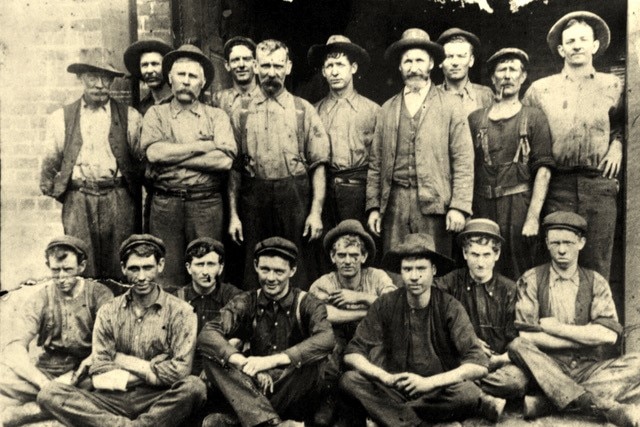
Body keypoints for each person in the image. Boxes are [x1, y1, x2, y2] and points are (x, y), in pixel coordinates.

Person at [38, 234, 207, 427]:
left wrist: (119, 359)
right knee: (49, 393)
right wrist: (155, 366)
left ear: (160, 266)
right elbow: (100, 372)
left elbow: (179, 373)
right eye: (134, 268)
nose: (141, 277)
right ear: (123, 268)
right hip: (111, 399)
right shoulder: (108, 311)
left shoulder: (181, 312)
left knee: (194, 387)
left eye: (148, 268)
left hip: (159, 399)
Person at [341, 233, 509, 425]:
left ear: (434, 270)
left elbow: (478, 364)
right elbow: (352, 353)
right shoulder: (385, 304)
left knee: (468, 393)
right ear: (400, 272)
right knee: (349, 380)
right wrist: (385, 377)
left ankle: (391, 417)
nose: (414, 276)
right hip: (394, 387)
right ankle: (416, 422)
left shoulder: (449, 306)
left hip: (436, 390)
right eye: (407, 269)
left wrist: (428, 383)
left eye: (421, 268)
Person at [508, 212, 640, 426]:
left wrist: (557, 328)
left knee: (638, 363)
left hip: (588, 367)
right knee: (517, 345)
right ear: (547, 243)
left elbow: (608, 336)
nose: (561, 249)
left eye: (568, 243)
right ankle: (604, 407)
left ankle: (547, 403)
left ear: (581, 243)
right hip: (547, 366)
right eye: (556, 242)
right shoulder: (531, 279)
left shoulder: (596, 281)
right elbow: (527, 336)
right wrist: (585, 335)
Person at [522, 11, 624, 280]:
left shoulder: (614, 85)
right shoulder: (539, 90)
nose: (576, 45)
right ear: (561, 49)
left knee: (597, 263)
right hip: (557, 186)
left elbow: (626, 124)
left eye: (582, 39)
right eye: (570, 41)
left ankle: (596, 322)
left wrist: (619, 145)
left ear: (594, 45)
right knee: (558, 262)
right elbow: (525, 137)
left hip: (599, 184)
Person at [198, 237, 334, 427]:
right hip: (255, 388)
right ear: (255, 266)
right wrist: (241, 361)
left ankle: (246, 421)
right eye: (265, 269)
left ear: (292, 270)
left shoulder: (307, 302)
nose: (271, 278)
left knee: (316, 361)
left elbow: (326, 338)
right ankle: (272, 423)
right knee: (212, 356)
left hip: (292, 387)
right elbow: (209, 332)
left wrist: (271, 361)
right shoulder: (246, 301)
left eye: (279, 271)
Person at [227, 39, 330, 290]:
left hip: (293, 198)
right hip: (253, 200)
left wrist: (315, 213)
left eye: (277, 66)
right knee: (255, 266)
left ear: (288, 67)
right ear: (254, 66)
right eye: (265, 66)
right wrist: (233, 215)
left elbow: (318, 165)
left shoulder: (303, 110)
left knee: (297, 266)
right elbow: (233, 169)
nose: (271, 73)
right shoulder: (240, 111)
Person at [366, 28, 474, 256]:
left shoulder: (451, 106)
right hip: (394, 204)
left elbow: (463, 160)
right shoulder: (387, 109)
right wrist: (374, 207)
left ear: (431, 64)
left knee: (434, 269)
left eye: (419, 61)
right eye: (407, 62)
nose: (413, 68)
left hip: (434, 206)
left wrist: (459, 207)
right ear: (400, 66)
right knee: (396, 269)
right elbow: (375, 163)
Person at [40, 53, 143, 283]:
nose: (99, 85)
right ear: (80, 78)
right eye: (92, 77)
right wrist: (68, 192)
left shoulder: (131, 117)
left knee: (122, 263)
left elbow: (141, 162)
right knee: (81, 262)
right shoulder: (61, 118)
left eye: (106, 79)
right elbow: (48, 166)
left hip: (118, 197)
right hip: (79, 197)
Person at [141, 44, 237, 291]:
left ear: (202, 83)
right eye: (181, 75)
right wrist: (201, 146)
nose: (186, 81)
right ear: (170, 80)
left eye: (192, 76)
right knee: (166, 273)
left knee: (206, 269)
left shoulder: (217, 117)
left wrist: (172, 155)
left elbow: (224, 161)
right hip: (165, 205)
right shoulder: (156, 114)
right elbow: (153, 153)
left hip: (205, 204)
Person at [0, 236, 112, 427]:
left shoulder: (99, 294)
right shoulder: (41, 298)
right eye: (55, 271)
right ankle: (59, 403)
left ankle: (31, 411)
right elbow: (14, 348)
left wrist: (77, 375)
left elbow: (110, 342)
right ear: (48, 265)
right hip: (47, 373)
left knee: (110, 383)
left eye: (68, 270)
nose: (61, 278)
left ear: (81, 266)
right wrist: (44, 383)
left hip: (84, 374)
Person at [468, 48, 555, 279]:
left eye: (513, 70)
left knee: (520, 271)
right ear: (493, 78)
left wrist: (532, 217)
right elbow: (466, 169)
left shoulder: (534, 117)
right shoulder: (476, 119)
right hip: (482, 206)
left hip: (519, 207)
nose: (507, 76)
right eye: (501, 70)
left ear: (523, 77)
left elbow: (543, 171)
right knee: (483, 268)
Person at [308, 219, 395, 425]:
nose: (348, 261)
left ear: (363, 257)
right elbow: (322, 314)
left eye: (354, 255)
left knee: (375, 362)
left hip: (371, 338)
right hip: (337, 336)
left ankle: (371, 411)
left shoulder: (377, 277)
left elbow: (394, 305)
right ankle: (329, 402)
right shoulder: (324, 283)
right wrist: (367, 312)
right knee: (328, 358)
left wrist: (359, 297)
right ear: (332, 257)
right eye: (342, 255)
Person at [436, 219, 528, 401]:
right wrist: (469, 339)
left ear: (497, 254)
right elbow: (434, 318)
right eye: (474, 254)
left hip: (498, 363)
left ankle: (467, 393)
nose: (480, 263)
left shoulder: (509, 289)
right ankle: (481, 398)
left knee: (516, 382)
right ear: (464, 253)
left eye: (486, 255)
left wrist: (499, 360)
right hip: (461, 360)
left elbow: (515, 339)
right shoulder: (449, 282)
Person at [308, 35, 380, 227]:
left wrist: (375, 206)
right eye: (329, 66)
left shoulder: (373, 111)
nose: (335, 72)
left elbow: (379, 163)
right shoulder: (313, 112)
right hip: (325, 193)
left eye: (340, 65)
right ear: (323, 71)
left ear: (353, 68)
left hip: (360, 194)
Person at [178, 237, 242, 374]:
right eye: (200, 264)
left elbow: (239, 340)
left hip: (222, 367)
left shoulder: (233, 296)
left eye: (211, 264)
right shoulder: (178, 298)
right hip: (187, 368)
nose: (205, 272)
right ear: (189, 268)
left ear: (220, 268)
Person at [436, 27, 493, 117]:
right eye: (449, 56)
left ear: (471, 61)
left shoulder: (485, 95)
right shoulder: (431, 96)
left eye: (461, 56)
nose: (455, 63)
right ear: (440, 62)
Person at [123, 38, 173, 115]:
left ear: (167, 67)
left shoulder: (179, 102)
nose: (149, 70)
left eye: (155, 64)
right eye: (144, 65)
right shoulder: (143, 107)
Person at [211, 36, 258, 116]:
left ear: (256, 64)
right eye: (235, 60)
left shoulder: (266, 97)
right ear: (227, 65)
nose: (241, 65)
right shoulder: (219, 100)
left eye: (246, 59)